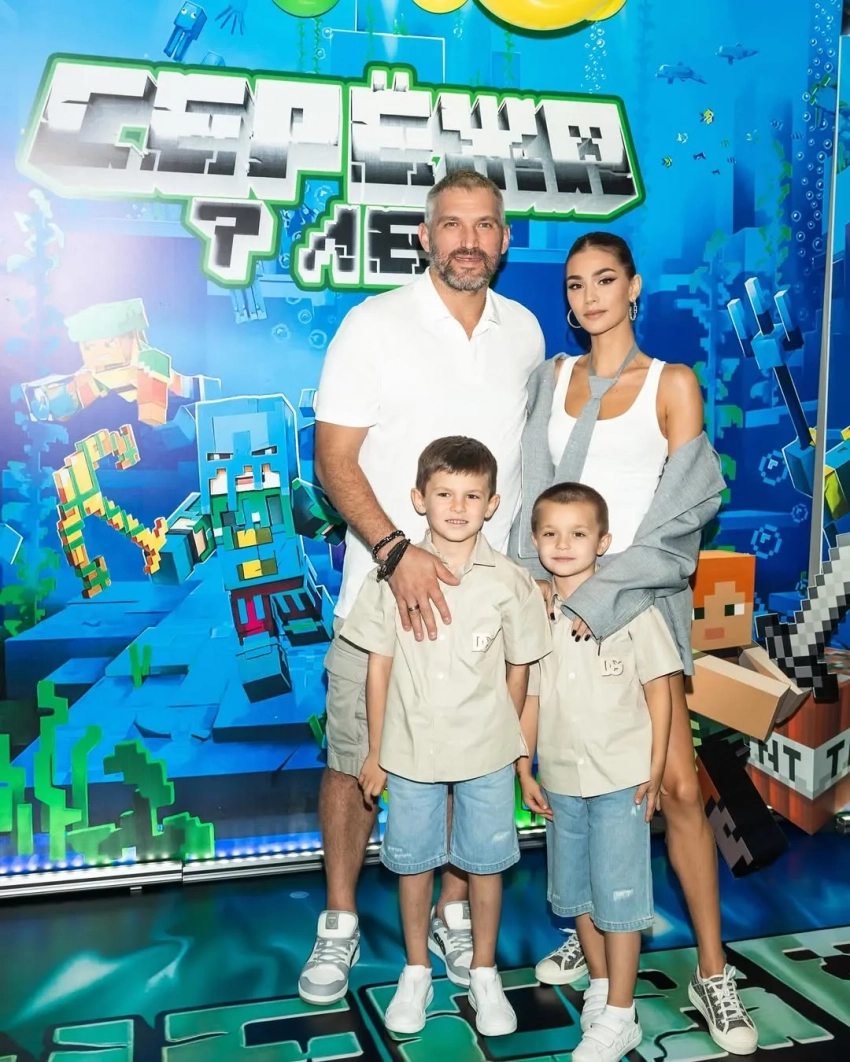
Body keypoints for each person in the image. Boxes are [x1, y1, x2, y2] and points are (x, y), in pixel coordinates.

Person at [299, 169, 545, 1005]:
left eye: (485, 225)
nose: (468, 241)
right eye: (452, 225)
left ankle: (451, 911)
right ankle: (338, 920)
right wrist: (395, 551)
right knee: (354, 761)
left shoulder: (525, 332)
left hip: (482, 613)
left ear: (504, 238)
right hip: (382, 594)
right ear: (425, 235)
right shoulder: (373, 326)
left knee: (465, 762)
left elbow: (524, 471)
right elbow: (334, 460)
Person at [509, 231, 758, 1055]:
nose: (589, 297)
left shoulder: (671, 382)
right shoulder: (552, 377)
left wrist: (604, 595)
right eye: (576, 284)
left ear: (635, 286)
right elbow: (530, 496)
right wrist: (534, 588)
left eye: (605, 280)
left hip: (640, 602)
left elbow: (684, 514)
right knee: (571, 774)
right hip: (556, 604)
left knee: (677, 787)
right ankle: (593, 935)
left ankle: (712, 972)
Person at [341, 437, 552, 1035]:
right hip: (410, 753)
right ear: (419, 499)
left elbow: (521, 668)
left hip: (486, 755)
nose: (458, 507)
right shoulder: (389, 579)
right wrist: (377, 751)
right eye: (444, 494)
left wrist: (515, 752)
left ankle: (484, 972)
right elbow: (378, 667)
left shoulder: (510, 582)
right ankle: (415, 971)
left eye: (472, 496)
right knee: (413, 865)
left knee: (486, 865)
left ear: (492, 504)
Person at [519, 482, 682, 1062]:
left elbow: (660, 689)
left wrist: (655, 768)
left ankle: (621, 1013)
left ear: (603, 542)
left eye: (578, 533)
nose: (563, 544)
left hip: (622, 780)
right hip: (561, 781)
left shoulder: (633, 609)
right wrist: (524, 767)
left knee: (620, 899)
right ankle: (601, 986)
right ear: (535, 541)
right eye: (550, 533)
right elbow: (532, 697)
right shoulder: (537, 615)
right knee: (578, 895)